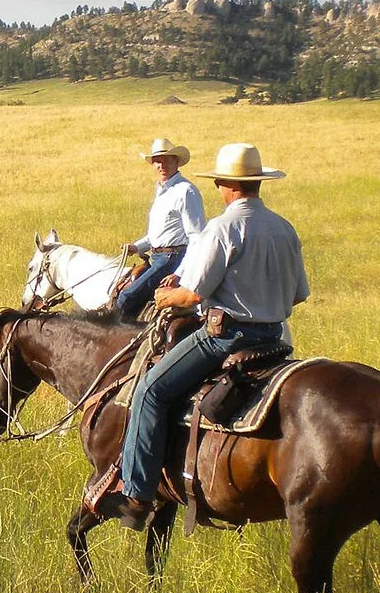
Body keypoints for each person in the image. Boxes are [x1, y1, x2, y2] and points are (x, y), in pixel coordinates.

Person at [108, 143, 310, 530]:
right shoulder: (285, 228)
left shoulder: (223, 228)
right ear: (255, 184)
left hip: (227, 337)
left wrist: (166, 295)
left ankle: (136, 493)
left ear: (226, 185)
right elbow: (299, 294)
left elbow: (194, 293)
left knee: (150, 389)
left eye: (219, 182)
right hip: (275, 339)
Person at [112, 138, 206, 322]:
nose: (162, 165)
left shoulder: (186, 191)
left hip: (172, 259)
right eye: (157, 161)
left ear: (176, 162)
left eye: (167, 160)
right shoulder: (162, 191)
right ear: (153, 164)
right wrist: (137, 247)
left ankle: (125, 341)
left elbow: (197, 237)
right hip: (158, 257)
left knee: (127, 298)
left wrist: (179, 273)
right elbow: (159, 235)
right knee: (121, 289)